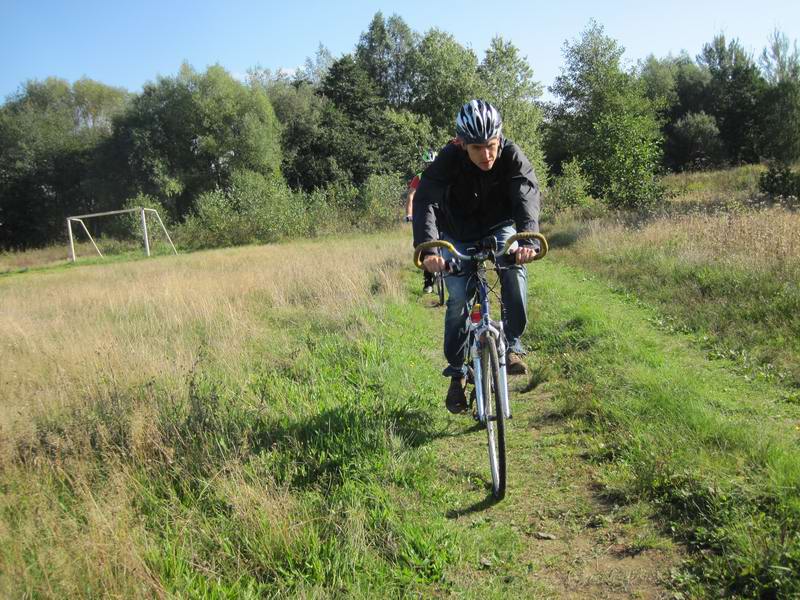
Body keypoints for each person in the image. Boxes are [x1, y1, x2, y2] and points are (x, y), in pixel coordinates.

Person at [412, 99, 542, 414]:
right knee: (457, 298)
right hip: (457, 232)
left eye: (492, 146)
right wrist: (429, 247)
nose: (486, 155)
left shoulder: (511, 156)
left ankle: (512, 345)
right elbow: (426, 199)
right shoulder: (448, 158)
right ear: (461, 144)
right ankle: (457, 373)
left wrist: (527, 239)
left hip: (500, 226)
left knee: (513, 269)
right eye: (477, 148)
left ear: (501, 138)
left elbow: (526, 192)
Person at [404, 149, 438, 293]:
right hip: (424, 211)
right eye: (427, 164)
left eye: (432, 164)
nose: (429, 167)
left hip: (441, 211)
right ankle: (428, 280)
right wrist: (409, 214)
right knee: (424, 242)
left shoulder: (442, 175)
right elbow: (411, 197)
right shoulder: (419, 177)